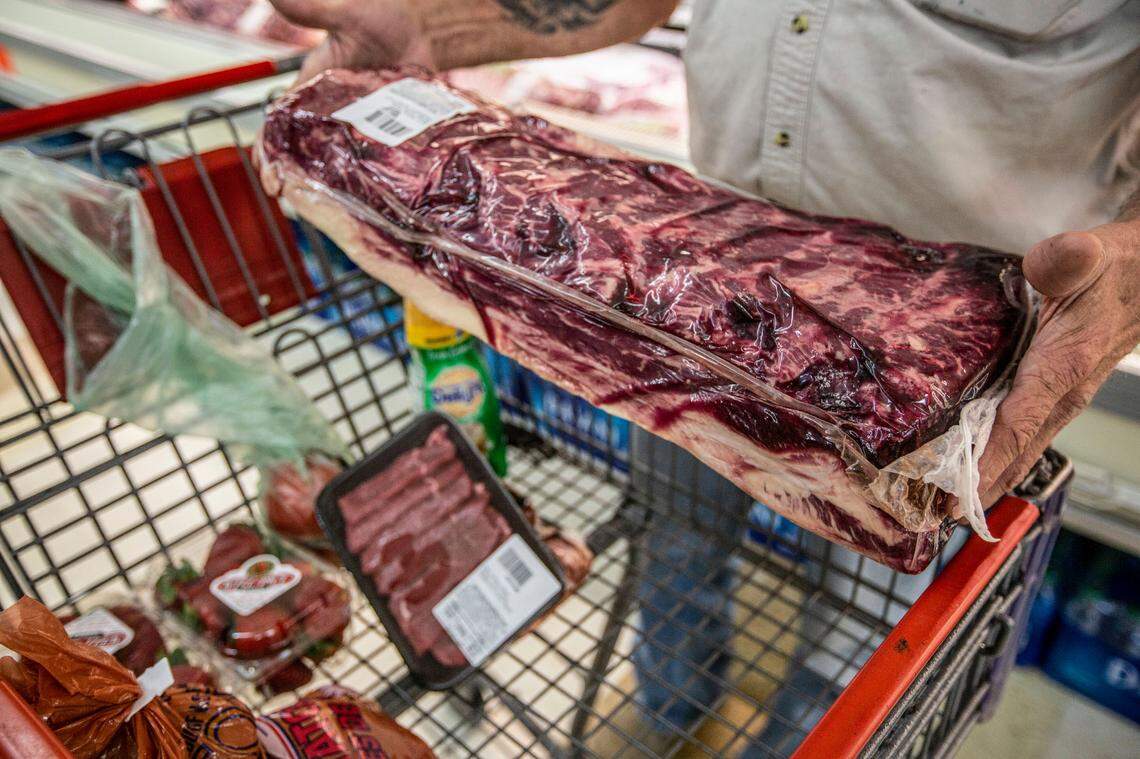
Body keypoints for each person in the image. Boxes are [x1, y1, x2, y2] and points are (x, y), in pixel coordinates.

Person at [268, 0, 1140, 753]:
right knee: (672, 539)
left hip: (942, 355)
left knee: (867, 639)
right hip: (682, 265)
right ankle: (671, 706)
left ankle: (800, 740)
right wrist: (436, 22)